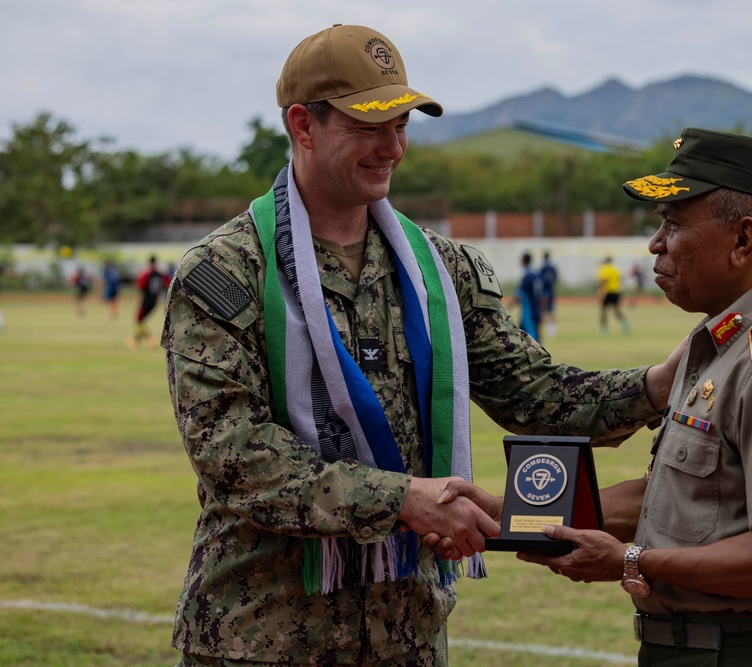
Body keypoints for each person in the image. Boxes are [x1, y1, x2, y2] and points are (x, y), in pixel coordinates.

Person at [160, 23, 679, 667]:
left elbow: (537, 396)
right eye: (369, 125)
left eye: (402, 123)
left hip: (405, 637)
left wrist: (661, 384)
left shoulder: (443, 269)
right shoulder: (226, 271)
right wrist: (401, 498)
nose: (393, 146)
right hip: (259, 637)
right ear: (302, 125)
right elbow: (232, 454)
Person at [441, 129, 752, 666]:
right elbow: (670, 498)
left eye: (674, 224)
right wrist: (512, 515)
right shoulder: (715, 345)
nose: (656, 243)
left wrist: (633, 560)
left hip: (740, 651)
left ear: (743, 241)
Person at [130, 255, 165, 347]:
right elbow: (165, 284)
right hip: (154, 301)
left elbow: (141, 285)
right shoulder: (160, 274)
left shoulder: (146, 273)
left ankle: (150, 338)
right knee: (141, 321)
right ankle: (136, 340)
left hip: (146, 300)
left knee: (138, 320)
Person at [595, 256, 629, 335]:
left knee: (603, 311)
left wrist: (599, 290)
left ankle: (604, 329)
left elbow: (605, 279)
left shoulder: (604, 268)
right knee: (616, 310)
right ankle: (624, 323)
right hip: (616, 291)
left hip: (607, 292)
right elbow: (621, 278)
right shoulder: (616, 269)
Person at [514, 251, 543, 341]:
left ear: (524, 261)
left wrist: (506, 307)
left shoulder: (527, 276)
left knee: (530, 336)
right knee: (534, 332)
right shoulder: (536, 274)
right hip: (536, 307)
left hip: (528, 310)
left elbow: (519, 295)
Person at [539, 251, 558, 337]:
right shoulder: (553, 267)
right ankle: (552, 331)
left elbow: (539, 280)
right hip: (551, 290)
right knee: (551, 310)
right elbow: (556, 279)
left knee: (543, 310)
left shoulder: (542, 268)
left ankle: (543, 329)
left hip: (544, 291)